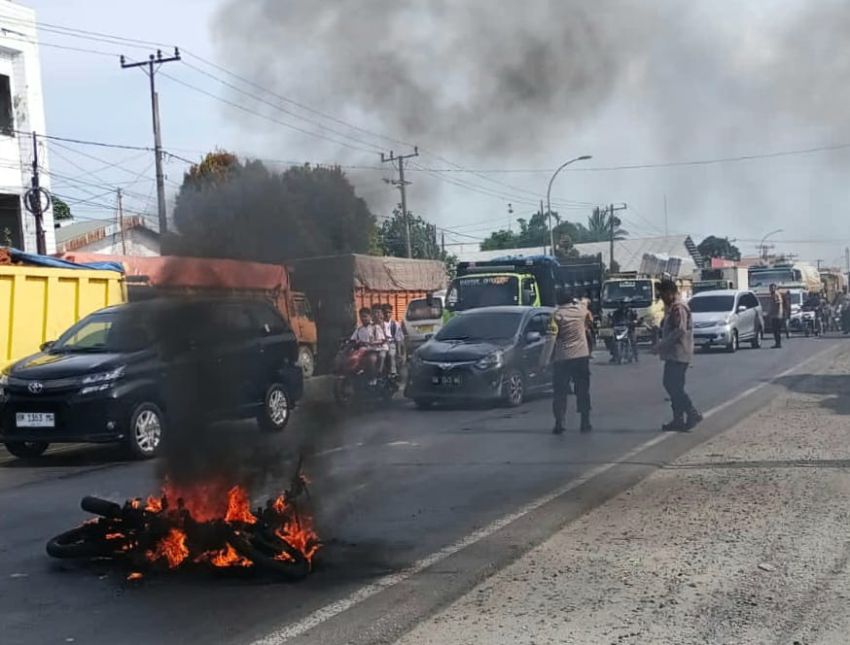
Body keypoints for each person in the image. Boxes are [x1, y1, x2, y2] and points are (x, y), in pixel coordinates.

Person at [652, 279, 702, 432]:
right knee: (673, 386)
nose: (662, 298)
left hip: (679, 353)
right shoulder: (672, 307)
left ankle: (691, 412)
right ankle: (678, 419)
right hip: (674, 353)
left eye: (662, 294)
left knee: (672, 386)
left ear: (669, 293)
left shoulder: (678, 307)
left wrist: (662, 344)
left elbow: (680, 329)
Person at [550, 288, 593, 434]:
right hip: (581, 356)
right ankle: (585, 421)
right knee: (583, 390)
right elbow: (586, 304)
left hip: (563, 358)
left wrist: (544, 360)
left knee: (560, 392)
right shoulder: (581, 310)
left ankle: (559, 422)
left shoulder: (557, 315)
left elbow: (551, 339)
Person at [351, 307, 382, 384]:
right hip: (361, 352)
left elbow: (382, 340)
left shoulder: (375, 327)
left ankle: (373, 379)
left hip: (373, 351)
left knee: (371, 360)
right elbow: (353, 339)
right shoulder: (359, 329)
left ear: (370, 316)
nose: (363, 318)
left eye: (365, 316)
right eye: (361, 316)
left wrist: (372, 342)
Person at [381, 303, 405, 376]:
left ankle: (393, 373)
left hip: (392, 344)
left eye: (389, 312)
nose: (387, 314)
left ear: (391, 313)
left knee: (392, 354)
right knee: (381, 355)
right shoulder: (380, 324)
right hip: (382, 345)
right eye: (385, 312)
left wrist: (399, 352)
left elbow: (398, 339)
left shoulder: (395, 324)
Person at [766, 284, 784, 348]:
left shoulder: (776, 294)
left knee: (776, 330)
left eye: (773, 288)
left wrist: (775, 312)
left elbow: (778, 303)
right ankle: (777, 343)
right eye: (770, 288)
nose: (771, 289)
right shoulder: (772, 295)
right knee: (775, 330)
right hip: (774, 315)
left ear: (775, 288)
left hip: (776, 316)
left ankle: (778, 343)